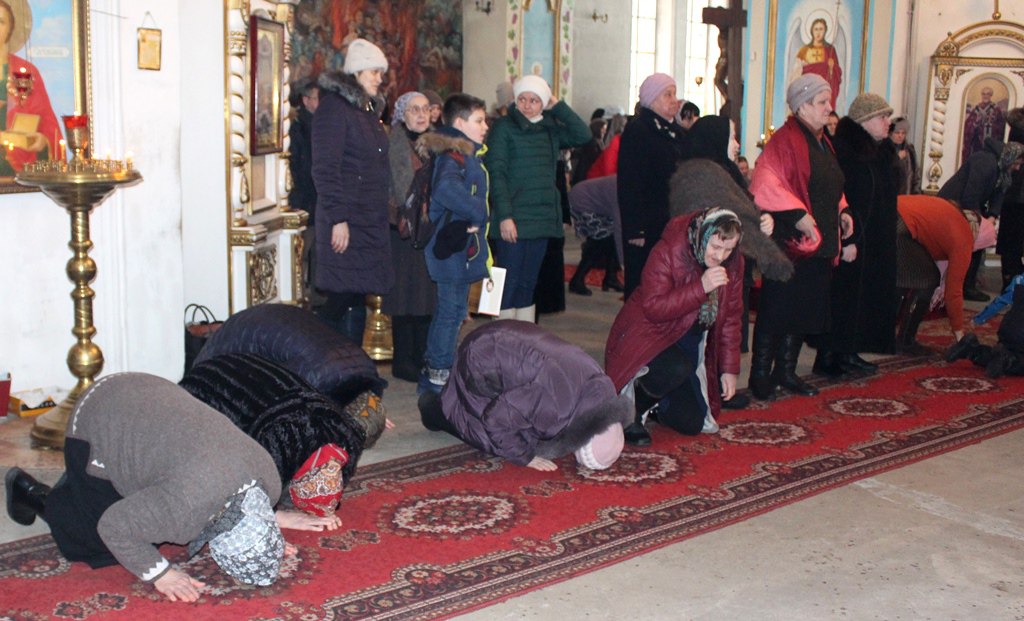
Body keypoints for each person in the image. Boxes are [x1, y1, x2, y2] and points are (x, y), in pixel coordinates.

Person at [5, 374, 340, 603]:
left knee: (151, 502)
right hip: (97, 418)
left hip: (149, 391)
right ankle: (30, 493)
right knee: (93, 541)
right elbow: (115, 526)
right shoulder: (185, 512)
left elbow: (247, 498)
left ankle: (85, 488)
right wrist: (160, 574)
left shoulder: (267, 478)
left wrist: (270, 522)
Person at [747, 73, 853, 400]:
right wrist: (797, 214)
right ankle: (761, 374)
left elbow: (831, 183)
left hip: (819, 243)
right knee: (778, 308)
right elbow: (765, 181)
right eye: (822, 102)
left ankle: (787, 371)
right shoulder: (785, 139)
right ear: (803, 105)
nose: (829, 108)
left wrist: (843, 211)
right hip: (790, 242)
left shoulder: (822, 140)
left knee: (804, 309)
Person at [605, 208, 745, 445]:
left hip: (690, 341)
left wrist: (730, 369)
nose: (720, 256)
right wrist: (701, 287)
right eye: (715, 247)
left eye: (728, 249)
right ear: (703, 234)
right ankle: (629, 410)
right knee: (676, 367)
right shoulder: (669, 249)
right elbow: (654, 308)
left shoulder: (734, 263)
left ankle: (656, 400)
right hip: (648, 336)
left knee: (692, 423)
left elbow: (731, 317)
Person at [419, 320, 632, 471]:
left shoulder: (601, 386)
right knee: (487, 435)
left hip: (504, 333)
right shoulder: (557, 408)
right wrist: (525, 457)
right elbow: (495, 419)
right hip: (479, 356)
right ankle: (431, 409)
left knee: (527, 422)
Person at [485, 75, 591, 322]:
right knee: (504, 283)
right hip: (513, 216)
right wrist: (505, 215)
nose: (527, 105)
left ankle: (522, 340)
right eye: (522, 99)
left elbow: (583, 135)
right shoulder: (504, 127)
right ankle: (497, 343)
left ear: (543, 103)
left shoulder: (550, 128)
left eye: (535, 100)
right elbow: (496, 173)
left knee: (528, 284)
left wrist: (558, 104)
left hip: (541, 217)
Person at [312, 38, 393, 346]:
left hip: (367, 219)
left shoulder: (365, 110)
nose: (379, 78)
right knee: (341, 297)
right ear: (357, 72)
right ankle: (328, 365)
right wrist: (338, 218)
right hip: (346, 221)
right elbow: (324, 168)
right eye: (374, 71)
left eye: (380, 72)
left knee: (356, 295)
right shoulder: (334, 108)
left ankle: (353, 374)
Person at [814, 93, 898, 376]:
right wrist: (847, 237)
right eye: (882, 117)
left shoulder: (882, 151)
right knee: (842, 298)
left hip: (875, 238)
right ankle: (830, 355)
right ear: (864, 121)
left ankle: (850, 350)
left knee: (862, 299)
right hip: (850, 236)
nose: (888, 123)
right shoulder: (845, 151)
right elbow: (839, 197)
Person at [419, 93, 492, 394]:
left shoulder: (464, 152)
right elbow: (447, 190)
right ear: (460, 123)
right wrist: (479, 212)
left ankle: (438, 370)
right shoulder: (454, 154)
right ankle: (437, 377)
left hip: (458, 246)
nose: (485, 126)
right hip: (450, 248)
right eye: (479, 120)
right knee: (450, 312)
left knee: (455, 310)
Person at [617, 73, 688, 299]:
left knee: (664, 284)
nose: (674, 99)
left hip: (670, 221)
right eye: (667, 94)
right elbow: (630, 183)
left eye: (674, 93)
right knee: (642, 285)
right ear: (652, 98)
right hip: (646, 224)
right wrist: (634, 228)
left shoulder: (677, 132)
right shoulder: (638, 130)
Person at [894, 195, 995, 353]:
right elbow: (953, 290)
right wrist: (959, 333)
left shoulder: (952, 217)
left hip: (887, 211)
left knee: (905, 277)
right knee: (927, 279)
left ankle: (882, 335)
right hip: (900, 223)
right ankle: (905, 341)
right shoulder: (964, 237)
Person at [384, 91, 437, 381]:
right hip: (403, 227)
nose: (420, 114)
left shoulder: (433, 142)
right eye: (414, 109)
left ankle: (419, 356)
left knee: (425, 295)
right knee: (404, 295)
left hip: (427, 227)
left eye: (425, 109)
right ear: (402, 114)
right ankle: (403, 360)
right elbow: (400, 183)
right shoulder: (396, 141)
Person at [938, 137, 1024, 301]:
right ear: (1010, 158)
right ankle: (958, 287)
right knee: (963, 246)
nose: (1018, 168)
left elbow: (999, 194)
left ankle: (967, 285)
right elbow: (971, 193)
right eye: (1017, 163)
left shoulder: (1003, 170)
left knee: (976, 246)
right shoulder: (985, 162)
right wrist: (980, 221)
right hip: (953, 205)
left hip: (970, 207)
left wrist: (992, 216)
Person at [0, 0, 61, 173]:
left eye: (1, 22)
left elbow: (48, 124)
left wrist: (42, 141)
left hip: (16, 165)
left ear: (10, 28)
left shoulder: (27, 72)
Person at [946, 274, 1024, 378]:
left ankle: (971, 349)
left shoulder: (1019, 280)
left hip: (1008, 327)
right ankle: (1007, 360)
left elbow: (1000, 301)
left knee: (1000, 355)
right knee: (1019, 362)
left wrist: (980, 318)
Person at [289, 80, 320, 303]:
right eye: (319, 98)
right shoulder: (297, 128)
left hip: (318, 204)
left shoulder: (323, 126)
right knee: (302, 259)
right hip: (304, 202)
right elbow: (301, 168)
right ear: (307, 100)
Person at [567, 175, 624, 296]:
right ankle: (577, 280)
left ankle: (610, 278)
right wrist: (623, 261)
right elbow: (620, 226)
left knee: (608, 238)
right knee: (600, 240)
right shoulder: (619, 190)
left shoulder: (624, 184)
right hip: (581, 202)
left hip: (595, 205)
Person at [996, 108, 1024, 289]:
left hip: (1014, 195)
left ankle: (1011, 281)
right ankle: (1012, 282)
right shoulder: (1020, 131)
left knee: (1011, 242)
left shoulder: (1017, 128)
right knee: (1013, 242)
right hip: (1017, 196)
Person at [792, 17, 843, 111]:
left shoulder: (830, 50)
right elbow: (796, 73)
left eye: (821, 29)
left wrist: (832, 67)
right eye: (816, 29)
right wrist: (801, 67)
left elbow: (837, 75)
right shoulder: (804, 50)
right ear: (811, 31)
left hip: (823, 91)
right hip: (808, 93)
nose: (818, 32)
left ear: (825, 31)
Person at [961, 86, 1007, 162]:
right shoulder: (976, 109)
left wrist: (992, 125)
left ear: (991, 95)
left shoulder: (996, 109)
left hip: (991, 144)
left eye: (988, 94)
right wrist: (976, 122)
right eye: (983, 94)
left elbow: (1002, 126)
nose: (985, 96)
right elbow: (968, 126)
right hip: (977, 144)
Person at [888, 117, 921, 195]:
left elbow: (916, 174)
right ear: (891, 133)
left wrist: (916, 194)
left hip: (908, 197)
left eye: (903, 133)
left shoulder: (910, 150)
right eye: (897, 133)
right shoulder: (884, 149)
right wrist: (896, 158)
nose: (900, 136)